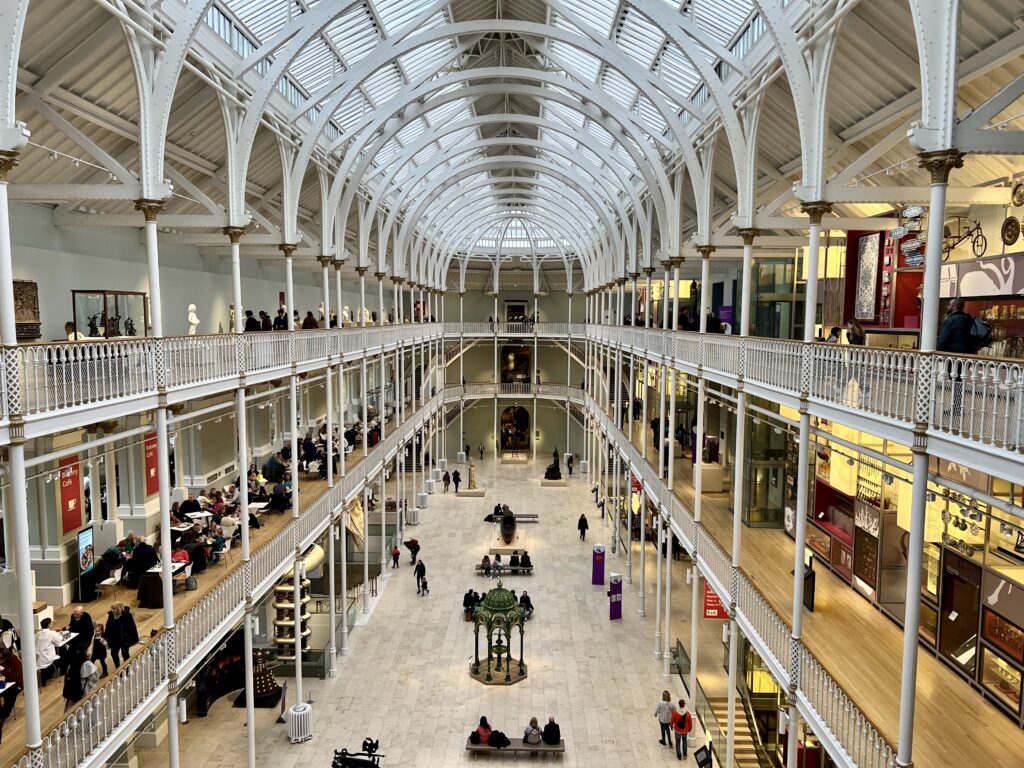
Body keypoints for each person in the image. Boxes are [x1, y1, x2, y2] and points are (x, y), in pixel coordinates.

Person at [104, 603, 139, 669]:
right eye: (112, 608)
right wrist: (106, 636)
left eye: (114, 609)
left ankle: (128, 668)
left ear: (119, 609)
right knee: (113, 654)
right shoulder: (111, 615)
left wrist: (131, 639)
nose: (112, 610)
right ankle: (117, 668)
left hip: (124, 639)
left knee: (125, 654)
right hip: (114, 639)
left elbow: (132, 628)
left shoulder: (126, 616)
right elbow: (107, 626)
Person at [36, 618, 63, 685]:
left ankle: (45, 678)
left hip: (37, 659)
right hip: (47, 658)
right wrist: (60, 636)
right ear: (49, 624)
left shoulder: (37, 634)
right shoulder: (52, 633)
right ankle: (54, 673)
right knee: (61, 657)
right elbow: (58, 643)